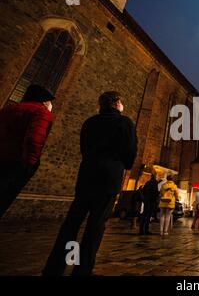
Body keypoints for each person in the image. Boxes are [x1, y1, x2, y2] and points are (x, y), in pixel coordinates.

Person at [42, 91, 137, 276]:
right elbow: (130, 151)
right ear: (117, 103)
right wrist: (122, 164)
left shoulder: (90, 122)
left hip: (87, 176)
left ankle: (55, 267)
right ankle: (82, 269)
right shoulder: (124, 122)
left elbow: (84, 149)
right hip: (109, 178)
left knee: (72, 224)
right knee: (95, 225)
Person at [0, 85, 54, 219]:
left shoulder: (8, 109)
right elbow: (34, 138)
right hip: (17, 161)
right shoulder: (41, 113)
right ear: (44, 101)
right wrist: (30, 163)